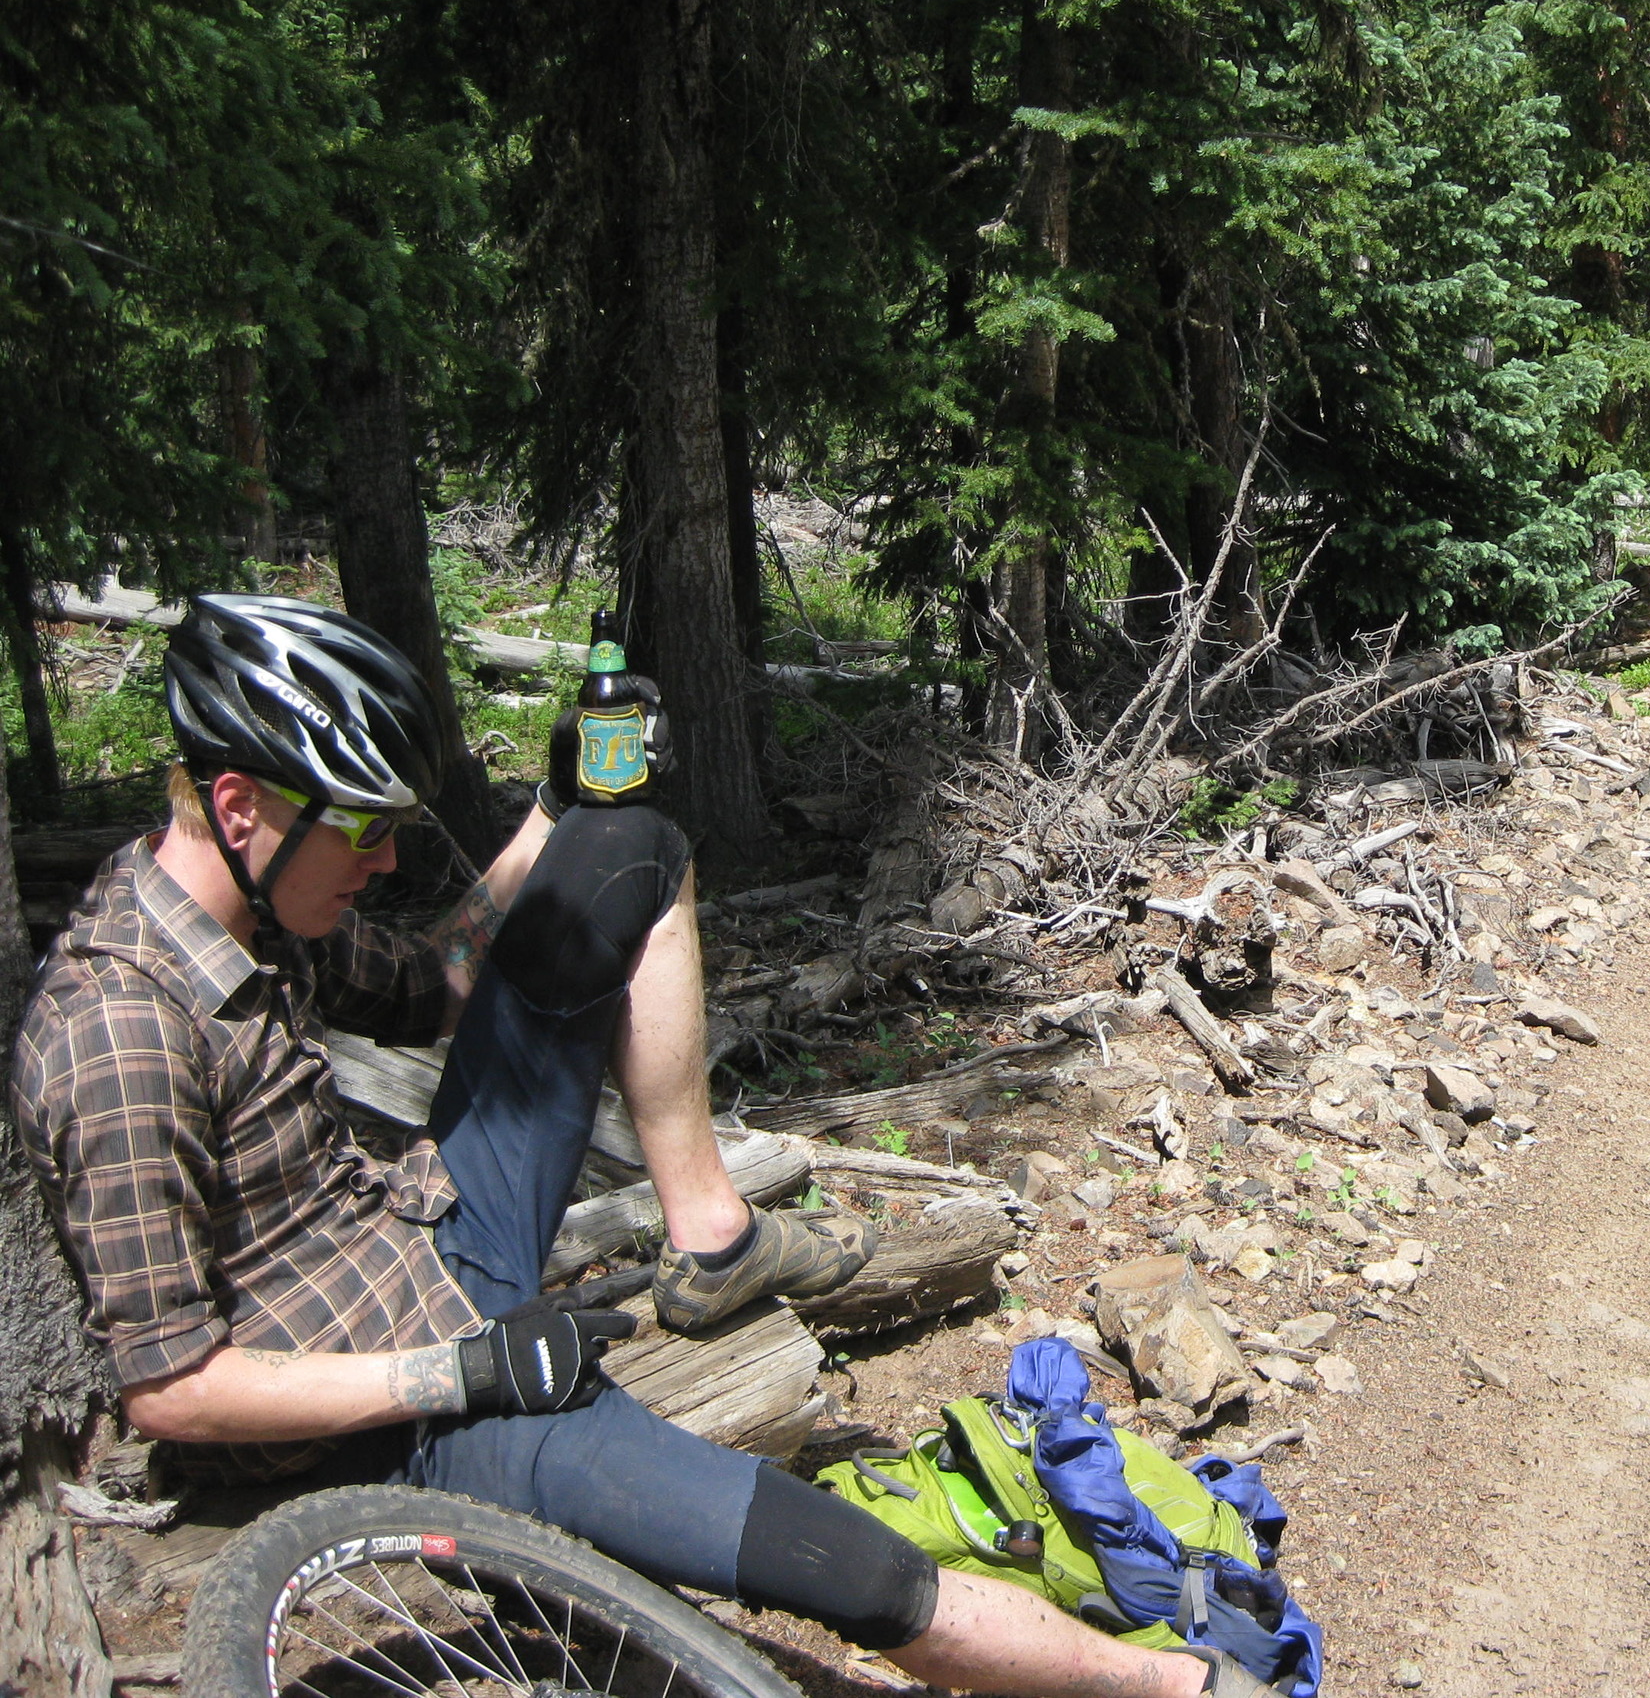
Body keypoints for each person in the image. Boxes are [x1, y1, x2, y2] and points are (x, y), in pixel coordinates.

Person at [11, 593, 1273, 1698]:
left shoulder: (254, 903)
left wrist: (552, 812)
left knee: (628, 847)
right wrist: (465, 1377)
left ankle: (709, 1227)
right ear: (239, 805)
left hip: (429, 1229)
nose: (386, 857)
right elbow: (171, 1387)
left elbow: (443, 981)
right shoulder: (119, 1034)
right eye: (363, 831)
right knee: (847, 1567)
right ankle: (1167, 1684)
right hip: (410, 1397)